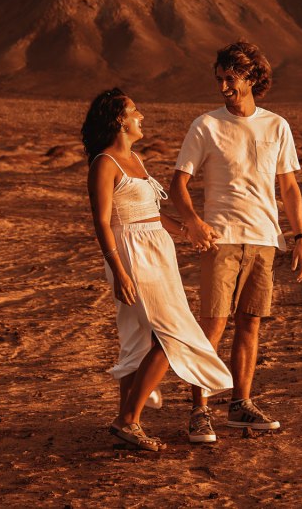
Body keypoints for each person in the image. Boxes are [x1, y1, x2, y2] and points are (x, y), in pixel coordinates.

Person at [170, 41, 302, 445]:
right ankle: (199, 411)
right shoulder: (205, 126)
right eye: (219, 79)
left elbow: (289, 186)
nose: (223, 87)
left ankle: (240, 404)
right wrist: (194, 222)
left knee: (250, 323)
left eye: (230, 78)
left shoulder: (276, 126)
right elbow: (178, 183)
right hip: (221, 239)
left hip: (264, 238)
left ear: (252, 77)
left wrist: (300, 236)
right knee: (212, 326)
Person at [83, 88, 233, 451]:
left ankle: (125, 423)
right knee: (170, 336)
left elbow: (150, 214)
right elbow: (102, 222)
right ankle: (128, 420)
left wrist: (187, 231)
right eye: (134, 111)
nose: (141, 116)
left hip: (156, 249)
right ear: (119, 120)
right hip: (132, 254)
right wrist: (118, 271)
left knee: (138, 339)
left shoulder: (135, 158)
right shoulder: (105, 163)